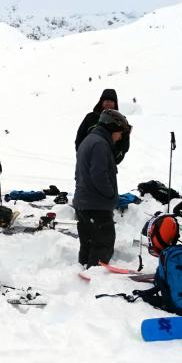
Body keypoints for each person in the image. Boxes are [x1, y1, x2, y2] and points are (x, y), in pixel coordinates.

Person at [74, 109, 127, 267]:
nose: (120, 137)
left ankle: (83, 275)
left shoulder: (90, 140)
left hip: (84, 203)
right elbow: (98, 175)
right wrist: (111, 195)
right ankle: (96, 279)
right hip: (96, 206)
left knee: (88, 245)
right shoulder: (100, 144)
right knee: (103, 246)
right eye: (119, 132)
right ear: (111, 127)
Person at [75, 88, 131, 164]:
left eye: (111, 101)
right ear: (101, 102)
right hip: (88, 162)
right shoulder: (90, 117)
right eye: (106, 101)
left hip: (108, 164)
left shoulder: (119, 122)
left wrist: (114, 160)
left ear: (115, 104)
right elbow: (79, 139)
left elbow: (124, 146)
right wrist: (83, 157)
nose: (109, 103)